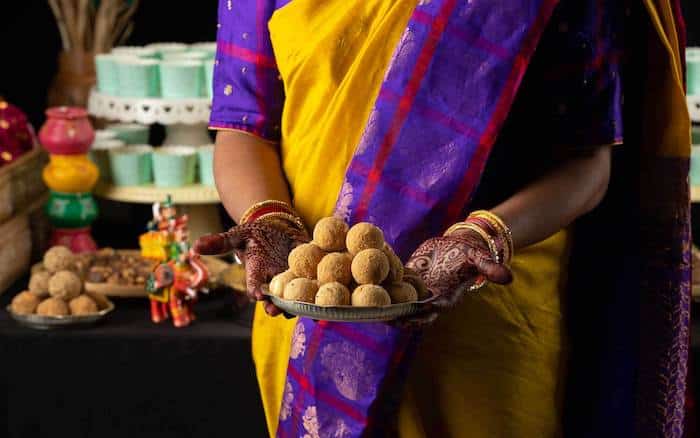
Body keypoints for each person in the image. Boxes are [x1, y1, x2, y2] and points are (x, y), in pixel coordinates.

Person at [196, 0, 691, 436]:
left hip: (489, 319)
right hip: (312, 315)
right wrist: (268, 222)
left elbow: (588, 164)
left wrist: (485, 235)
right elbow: (243, 130)